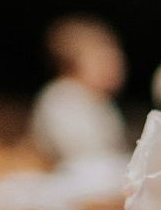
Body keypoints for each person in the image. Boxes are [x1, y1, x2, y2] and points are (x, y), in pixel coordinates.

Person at [30, 17, 129, 164]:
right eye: (101, 58)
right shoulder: (62, 97)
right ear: (74, 62)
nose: (115, 66)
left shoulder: (100, 101)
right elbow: (86, 160)